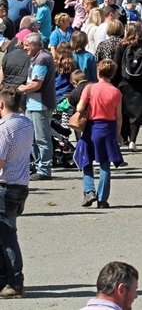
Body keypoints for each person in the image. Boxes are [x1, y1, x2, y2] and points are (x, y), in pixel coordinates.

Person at [74, 58, 123, 208]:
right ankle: (102, 199)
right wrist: (118, 133)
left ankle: (89, 191)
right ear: (112, 74)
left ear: (98, 72)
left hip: (92, 127)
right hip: (108, 128)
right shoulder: (116, 92)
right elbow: (118, 116)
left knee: (86, 160)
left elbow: (79, 108)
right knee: (105, 164)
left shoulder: (89, 88)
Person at [0, 86, 32, 298]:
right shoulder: (26, 123)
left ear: (1, 104)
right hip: (20, 184)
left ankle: (14, 281)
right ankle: (5, 279)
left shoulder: (4, 129)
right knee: (5, 235)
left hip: (5, 186)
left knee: (7, 236)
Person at [18, 33, 56, 181]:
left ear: (35, 45)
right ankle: (38, 165)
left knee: (42, 137)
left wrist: (20, 89)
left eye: (27, 45)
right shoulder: (38, 57)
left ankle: (44, 169)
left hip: (41, 104)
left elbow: (36, 84)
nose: (24, 48)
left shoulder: (42, 59)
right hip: (32, 103)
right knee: (31, 137)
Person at [113, 22, 142, 151]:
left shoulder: (121, 46)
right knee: (136, 114)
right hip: (140, 86)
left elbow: (116, 66)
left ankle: (124, 138)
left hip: (123, 84)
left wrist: (115, 83)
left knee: (123, 112)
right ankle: (133, 141)